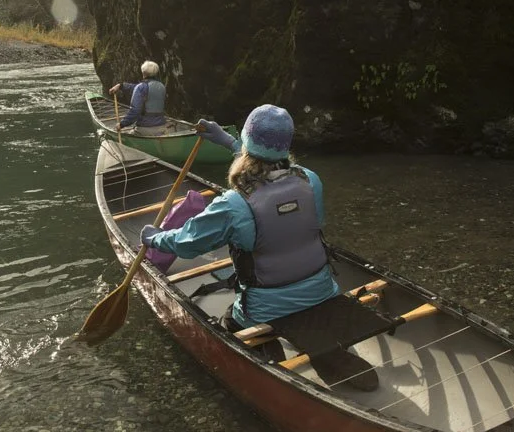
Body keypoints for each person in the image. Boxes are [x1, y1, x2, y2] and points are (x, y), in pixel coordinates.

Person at [140, 104, 378, 391]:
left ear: (248, 144)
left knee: (231, 321)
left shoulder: (234, 203)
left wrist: (154, 238)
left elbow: (187, 244)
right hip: (322, 291)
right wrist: (227, 141)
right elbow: (267, 163)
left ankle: (267, 355)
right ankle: (331, 356)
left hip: (266, 309)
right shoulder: (310, 181)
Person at [108, 61, 167, 136]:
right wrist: (121, 86)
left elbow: (135, 111)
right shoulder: (161, 86)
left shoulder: (141, 87)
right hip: (161, 127)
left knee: (128, 133)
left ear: (143, 73)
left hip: (145, 128)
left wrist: (121, 124)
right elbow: (138, 88)